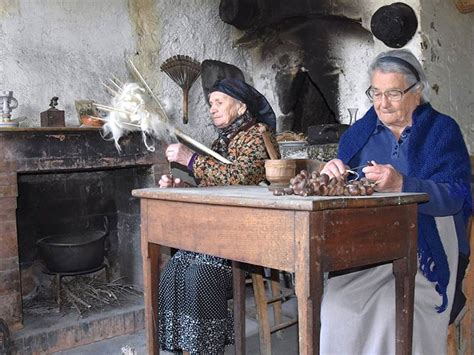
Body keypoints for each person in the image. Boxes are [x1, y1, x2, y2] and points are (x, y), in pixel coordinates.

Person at [319, 49, 472, 354]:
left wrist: (404, 184)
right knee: (337, 306)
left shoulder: (442, 131)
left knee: (395, 312)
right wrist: (331, 176)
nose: (382, 103)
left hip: (426, 249)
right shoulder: (359, 134)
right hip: (367, 249)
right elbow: (347, 190)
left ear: (417, 92)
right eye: (375, 92)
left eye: (393, 93)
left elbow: (459, 195)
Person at [157, 78, 279, 354]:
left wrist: (191, 159)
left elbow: (241, 179)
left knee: (200, 272)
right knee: (175, 268)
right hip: (219, 229)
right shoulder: (221, 141)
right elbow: (213, 187)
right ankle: (182, 344)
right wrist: (183, 186)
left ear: (240, 106)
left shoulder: (258, 135)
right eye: (211, 103)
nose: (212, 108)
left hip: (252, 229)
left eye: (219, 102)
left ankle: (207, 348)